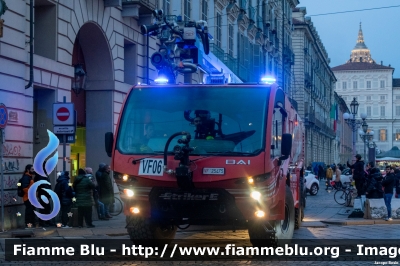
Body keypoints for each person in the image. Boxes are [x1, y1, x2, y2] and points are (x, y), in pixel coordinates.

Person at [20, 164, 35, 229]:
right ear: (28, 170)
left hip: (30, 197)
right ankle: (28, 225)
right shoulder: (26, 177)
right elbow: (25, 188)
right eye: (32, 169)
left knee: (31, 211)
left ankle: (30, 224)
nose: (33, 170)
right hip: (28, 198)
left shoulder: (29, 177)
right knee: (29, 211)